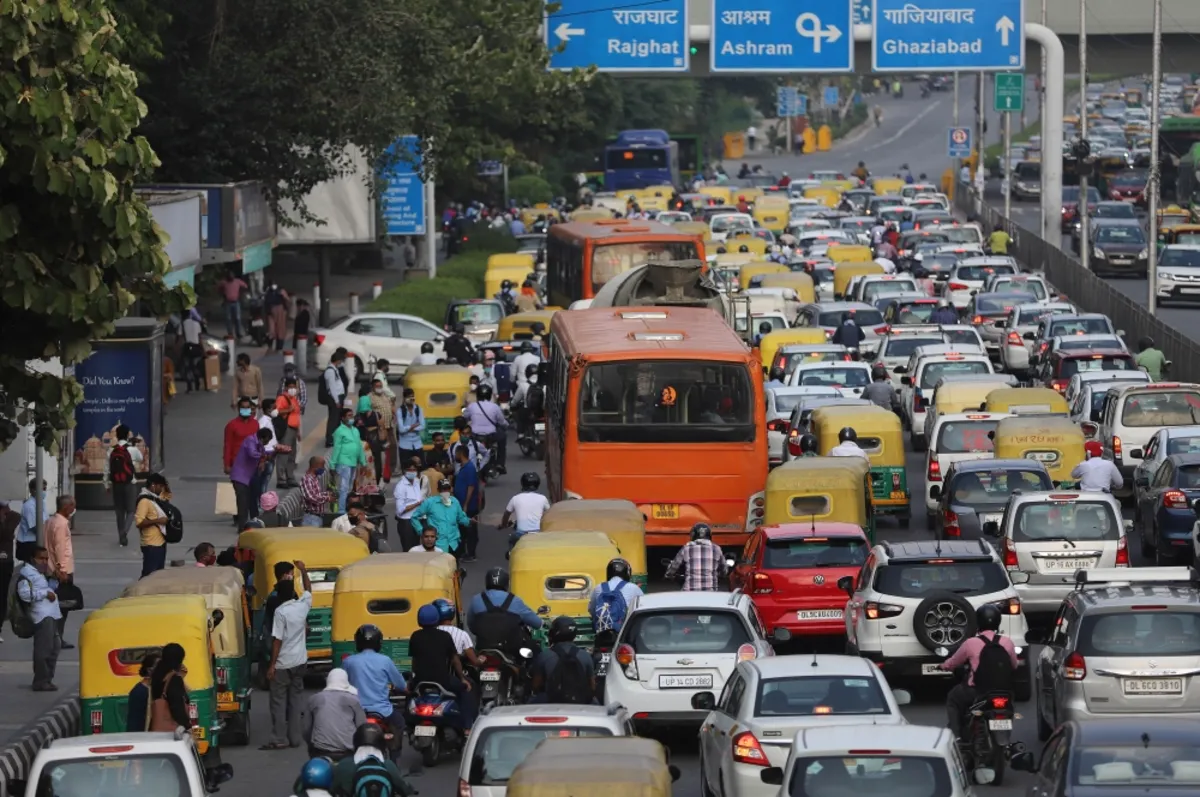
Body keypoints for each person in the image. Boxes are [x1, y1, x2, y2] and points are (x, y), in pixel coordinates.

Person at [939, 604, 1019, 738]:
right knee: (1009, 708)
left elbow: (953, 663)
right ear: (998, 622)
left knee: (953, 698)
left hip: (977, 692)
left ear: (978, 622)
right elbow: (1014, 665)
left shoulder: (971, 643)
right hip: (1004, 692)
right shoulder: (1007, 642)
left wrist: (942, 666)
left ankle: (956, 737)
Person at [263, 560, 313, 750]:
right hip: (300, 662)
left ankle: (279, 738)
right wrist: (304, 570)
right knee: (295, 701)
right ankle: (295, 738)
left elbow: (277, 640)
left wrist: (272, 665)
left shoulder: (280, 612)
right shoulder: (302, 606)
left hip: (283, 664)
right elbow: (309, 589)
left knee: (278, 702)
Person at [341, 624, 406, 762]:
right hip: (383, 712)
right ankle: (394, 761)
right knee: (400, 722)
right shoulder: (385, 660)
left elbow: (342, 684)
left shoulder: (348, 662)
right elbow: (401, 685)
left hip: (356, 711)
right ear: (378, 642)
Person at [408, 604, 477, 728]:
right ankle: (467, 726)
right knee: (465, 691)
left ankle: (409, 724)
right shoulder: (444, 636)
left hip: (420, 680)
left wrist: (412, 680)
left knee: (410, 695)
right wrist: (462, 679)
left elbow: (414, 660)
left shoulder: (415, 636)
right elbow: (455, 659)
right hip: (443, 680)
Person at [467, 567, 544, 656]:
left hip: (483, 648)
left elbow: (471, 625)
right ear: (507, 583)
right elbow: (537, 623)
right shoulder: (515, 600)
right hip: (511, 649)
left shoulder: (476, 599)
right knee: (536, 653)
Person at [328, 723, 417, 797]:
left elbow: (333, 789)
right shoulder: (388, 765)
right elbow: (403, 788)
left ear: (356, 741)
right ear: (381, 743)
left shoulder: (345, 764)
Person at [16, 546, 61, 691]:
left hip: (51, 614)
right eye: (41, 558)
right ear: (32, 559)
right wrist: (44, 594)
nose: (44, 561)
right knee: (44, 651)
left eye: (46, 559)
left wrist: (55, 579)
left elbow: (49, 588)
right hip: (42, 616)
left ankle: (48, 679)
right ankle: (41, 681)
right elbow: (25, 594)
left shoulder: (39, 573)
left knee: (55, 647)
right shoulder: (26, 574)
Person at [530, 616, 595, 705]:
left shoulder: (544, 656)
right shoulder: (585, 655)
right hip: (580, 702)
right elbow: (592, 686)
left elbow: (535, 686)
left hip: (551, 702)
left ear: (553, 634)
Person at [303, 668, 364, 761]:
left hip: (320, 751)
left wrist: (312, 744)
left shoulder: (314, 699)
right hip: (348, 752)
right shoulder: (353, 700)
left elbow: (306, 729)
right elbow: (362, 728)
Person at [44, 495, 75, 648]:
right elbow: (60, 548)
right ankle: (57, 638)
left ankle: (54, 637)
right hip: (61, 571)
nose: (74, 508)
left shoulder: (50, 521)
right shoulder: (61, 524)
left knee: (55, 605)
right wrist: (62, 569)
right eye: (72, 506)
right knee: (63, 606)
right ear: (66, 507)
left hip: (50, 569)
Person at [410, 478, 470, 556]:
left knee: (454, 566)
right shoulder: (430, 503)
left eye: (447, 489)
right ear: (438, 490)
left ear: (450, 489)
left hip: (453, 543)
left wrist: (469, 521)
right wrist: (422, 531)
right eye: (443, 489)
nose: (445, 492)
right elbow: (414, 517)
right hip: (438, 545)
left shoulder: (455, 502)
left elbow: (461, 518)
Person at [105, 426, 143, 547]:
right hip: (130, 483)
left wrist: (106, 484)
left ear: (116, 435)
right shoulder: (132, 449)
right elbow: (140, 459)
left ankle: (120, 533)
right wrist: (134, 445)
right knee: (131, 510)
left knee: (119, 511)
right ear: (128, 435)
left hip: (116, 484)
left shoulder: (111, 451)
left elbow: (106, 469)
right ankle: (124, 533)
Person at [664, 524, 728, 591]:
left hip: (690, 592)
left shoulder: (686, 548)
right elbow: (724, 570)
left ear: (693, 535)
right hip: (711, 592)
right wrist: (722, 574)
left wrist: (668, 574)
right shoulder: (716, 549)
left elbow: (674, 566)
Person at [231, 428, 273, 531]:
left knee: (252, 501)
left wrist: (274, 451)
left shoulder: (259, 444)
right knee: (243, 503)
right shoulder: (250, 440)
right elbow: (252, 453)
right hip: (240, 477)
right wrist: (265, 456)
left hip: (249, 477)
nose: (267, 443)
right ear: (264, 438)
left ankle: (253, 524)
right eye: (268, 440)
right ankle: (242, 528)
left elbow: (264, 452)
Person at [589, 558, 643, 634]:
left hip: (602, 632)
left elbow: (591, 610)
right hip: (623, 632)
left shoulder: (598, 587)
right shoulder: (633, 587)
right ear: (627, 573)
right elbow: (642, 608)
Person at [463, 384, 507, 474]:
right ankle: (500, 463)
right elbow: (502, 421)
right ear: (490, 395)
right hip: (491, 435)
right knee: (503, 438)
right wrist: (506, 425)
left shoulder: (472, 406)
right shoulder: (495, 406)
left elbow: (465, 417)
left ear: (478, 395)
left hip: (474, 435)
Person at [148, 642, 191, 731]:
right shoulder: (173, 678)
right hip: (172, 730)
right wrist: (186, 725)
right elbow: (176, 705)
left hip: (157, 725)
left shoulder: (157, 675)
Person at [500, 472, 550, 549]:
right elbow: (549, 513)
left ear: (522, 484)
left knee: (511, 540)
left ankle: (511, 554)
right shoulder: (543, 498)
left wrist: (504, 525)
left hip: (521, 534)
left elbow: (506, 514)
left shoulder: (515, 498)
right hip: (538, 533)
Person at [135, 473, 172, 577]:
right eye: (160, 486)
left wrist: (166, 486)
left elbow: (168, 495)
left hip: (160, 542)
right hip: (151, 544)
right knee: (149, 575)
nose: (161, 489)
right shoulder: (144, 501)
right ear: (153, 485)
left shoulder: (155, 498)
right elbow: (139, 522)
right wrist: (157, 520)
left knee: (158, 575)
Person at [330, 407, 366, 512]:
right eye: (349, 416)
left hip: (353, 462)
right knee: (343, 488)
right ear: (343, 418)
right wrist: (332, 465)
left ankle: (346, 508)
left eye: (352, 415)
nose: (352, 418)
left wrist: (363, 461)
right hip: (343, 462)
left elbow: (359, 446)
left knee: (349, 488)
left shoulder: (355, 430)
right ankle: (341, 511)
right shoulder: (339, 431)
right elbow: (336, 448)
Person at [453, 446, 482, 562]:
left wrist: (465, 504)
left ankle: (471, 553)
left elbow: (471, 487)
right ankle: (464, 552)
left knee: (470, 530)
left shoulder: (469, 468)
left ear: (460, 454)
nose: (455, 456)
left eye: (456, 454)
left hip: (468, 507)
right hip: (462, 506)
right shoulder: (464, 468)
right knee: (463, 530)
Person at [275, 377, 303, 488]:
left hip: (294, 429)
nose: (293, 389)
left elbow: (296, 416)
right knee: (283, 454)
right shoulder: (282, 398)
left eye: (294, 387)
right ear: (286, 387)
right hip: (286, 428)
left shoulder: (294, 399)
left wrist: (298, 432)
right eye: (290, 387)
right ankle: (281, 479)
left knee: (292, 455)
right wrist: (288, 410)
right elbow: (276, 412)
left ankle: (290, 477)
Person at [433, 598, 477, 666]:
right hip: (456, 673)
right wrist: (480, 660)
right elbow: (473, 660)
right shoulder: (462, 634)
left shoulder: (430, 633)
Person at [393, 459, 426, 551]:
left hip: (418, 519)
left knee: (418, 548)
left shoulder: (416, 482)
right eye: (409, 470)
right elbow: (400, 510)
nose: (412, 472)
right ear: (404, 471)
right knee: (409, 549)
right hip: (406, 522)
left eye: (414, 470)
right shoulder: (401, 487)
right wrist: (417, 504)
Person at [321, 348, 350, 448]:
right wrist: (337, 400)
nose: (341, 363)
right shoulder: (330, 371)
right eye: (341, 361)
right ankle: (329, 440)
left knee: (337, 418)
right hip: (334, 398)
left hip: (338, 397)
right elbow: (332, 387)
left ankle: (334, 438)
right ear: (337, 360)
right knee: (333, 419)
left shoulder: (334, 369)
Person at [15, 477, 47, 563]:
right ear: (33, 490)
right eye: (42, 489)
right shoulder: (29, 506)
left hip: (37, 541)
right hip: (28, 543)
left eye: (45, 489)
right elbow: (35, 528)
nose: (44, 491)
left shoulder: (41, 503)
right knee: (31, 567)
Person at [355, 393, 384, 487]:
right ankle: (377, 482)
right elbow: (382, 426)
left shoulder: (358, 417)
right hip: (376, 442)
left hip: (363, 444)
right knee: (377, 463)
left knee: (364, 462)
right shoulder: (377, 415)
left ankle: (364, 483)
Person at [126, 652, 160, 731]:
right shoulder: (139, 692)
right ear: (149, 670)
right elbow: (134, 723)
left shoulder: (156, 688)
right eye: (159, 667)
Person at [395, 388, 425, 469]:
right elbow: (401, 429)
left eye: (412, 396)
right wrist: (413, 426)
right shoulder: (400, 411)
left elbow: (423, 425)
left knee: (420, 468)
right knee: (406, 469)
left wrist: (408, 429)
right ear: (404, 398)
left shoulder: (419, 409)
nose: (411, 398)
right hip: (405, 445)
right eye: (409, 397)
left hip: (417, 443)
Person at [300, 457, 332, 527]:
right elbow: (311, 497)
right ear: (315, 466)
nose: (323, 469)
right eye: (322, 466)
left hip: (318, 517)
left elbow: (316, 494)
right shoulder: (307, 479)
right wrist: (328, 498)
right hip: (311, 518)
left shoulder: (315, 478)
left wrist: (327, 494)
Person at [218, 271, 248, 339]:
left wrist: (241, 293)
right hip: (227, 302)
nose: (231, 277)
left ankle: (238, 333)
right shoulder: (224, 283)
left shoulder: (237, 281)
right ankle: (230, 333)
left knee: (237, 318)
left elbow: (245, 286)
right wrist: (223, 294)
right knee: (228, 319)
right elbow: (218, 289)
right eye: (229, 276)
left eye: (231, 276)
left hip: (236, 302)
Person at [264, 282, 291, 351]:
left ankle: (279, 346)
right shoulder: (268, 291)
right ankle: (270, 345)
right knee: (271, 329)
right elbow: (266, 301)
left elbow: (287, 300)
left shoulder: (281, 291)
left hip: (280, 309)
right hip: (271, 310)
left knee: (280, 329)